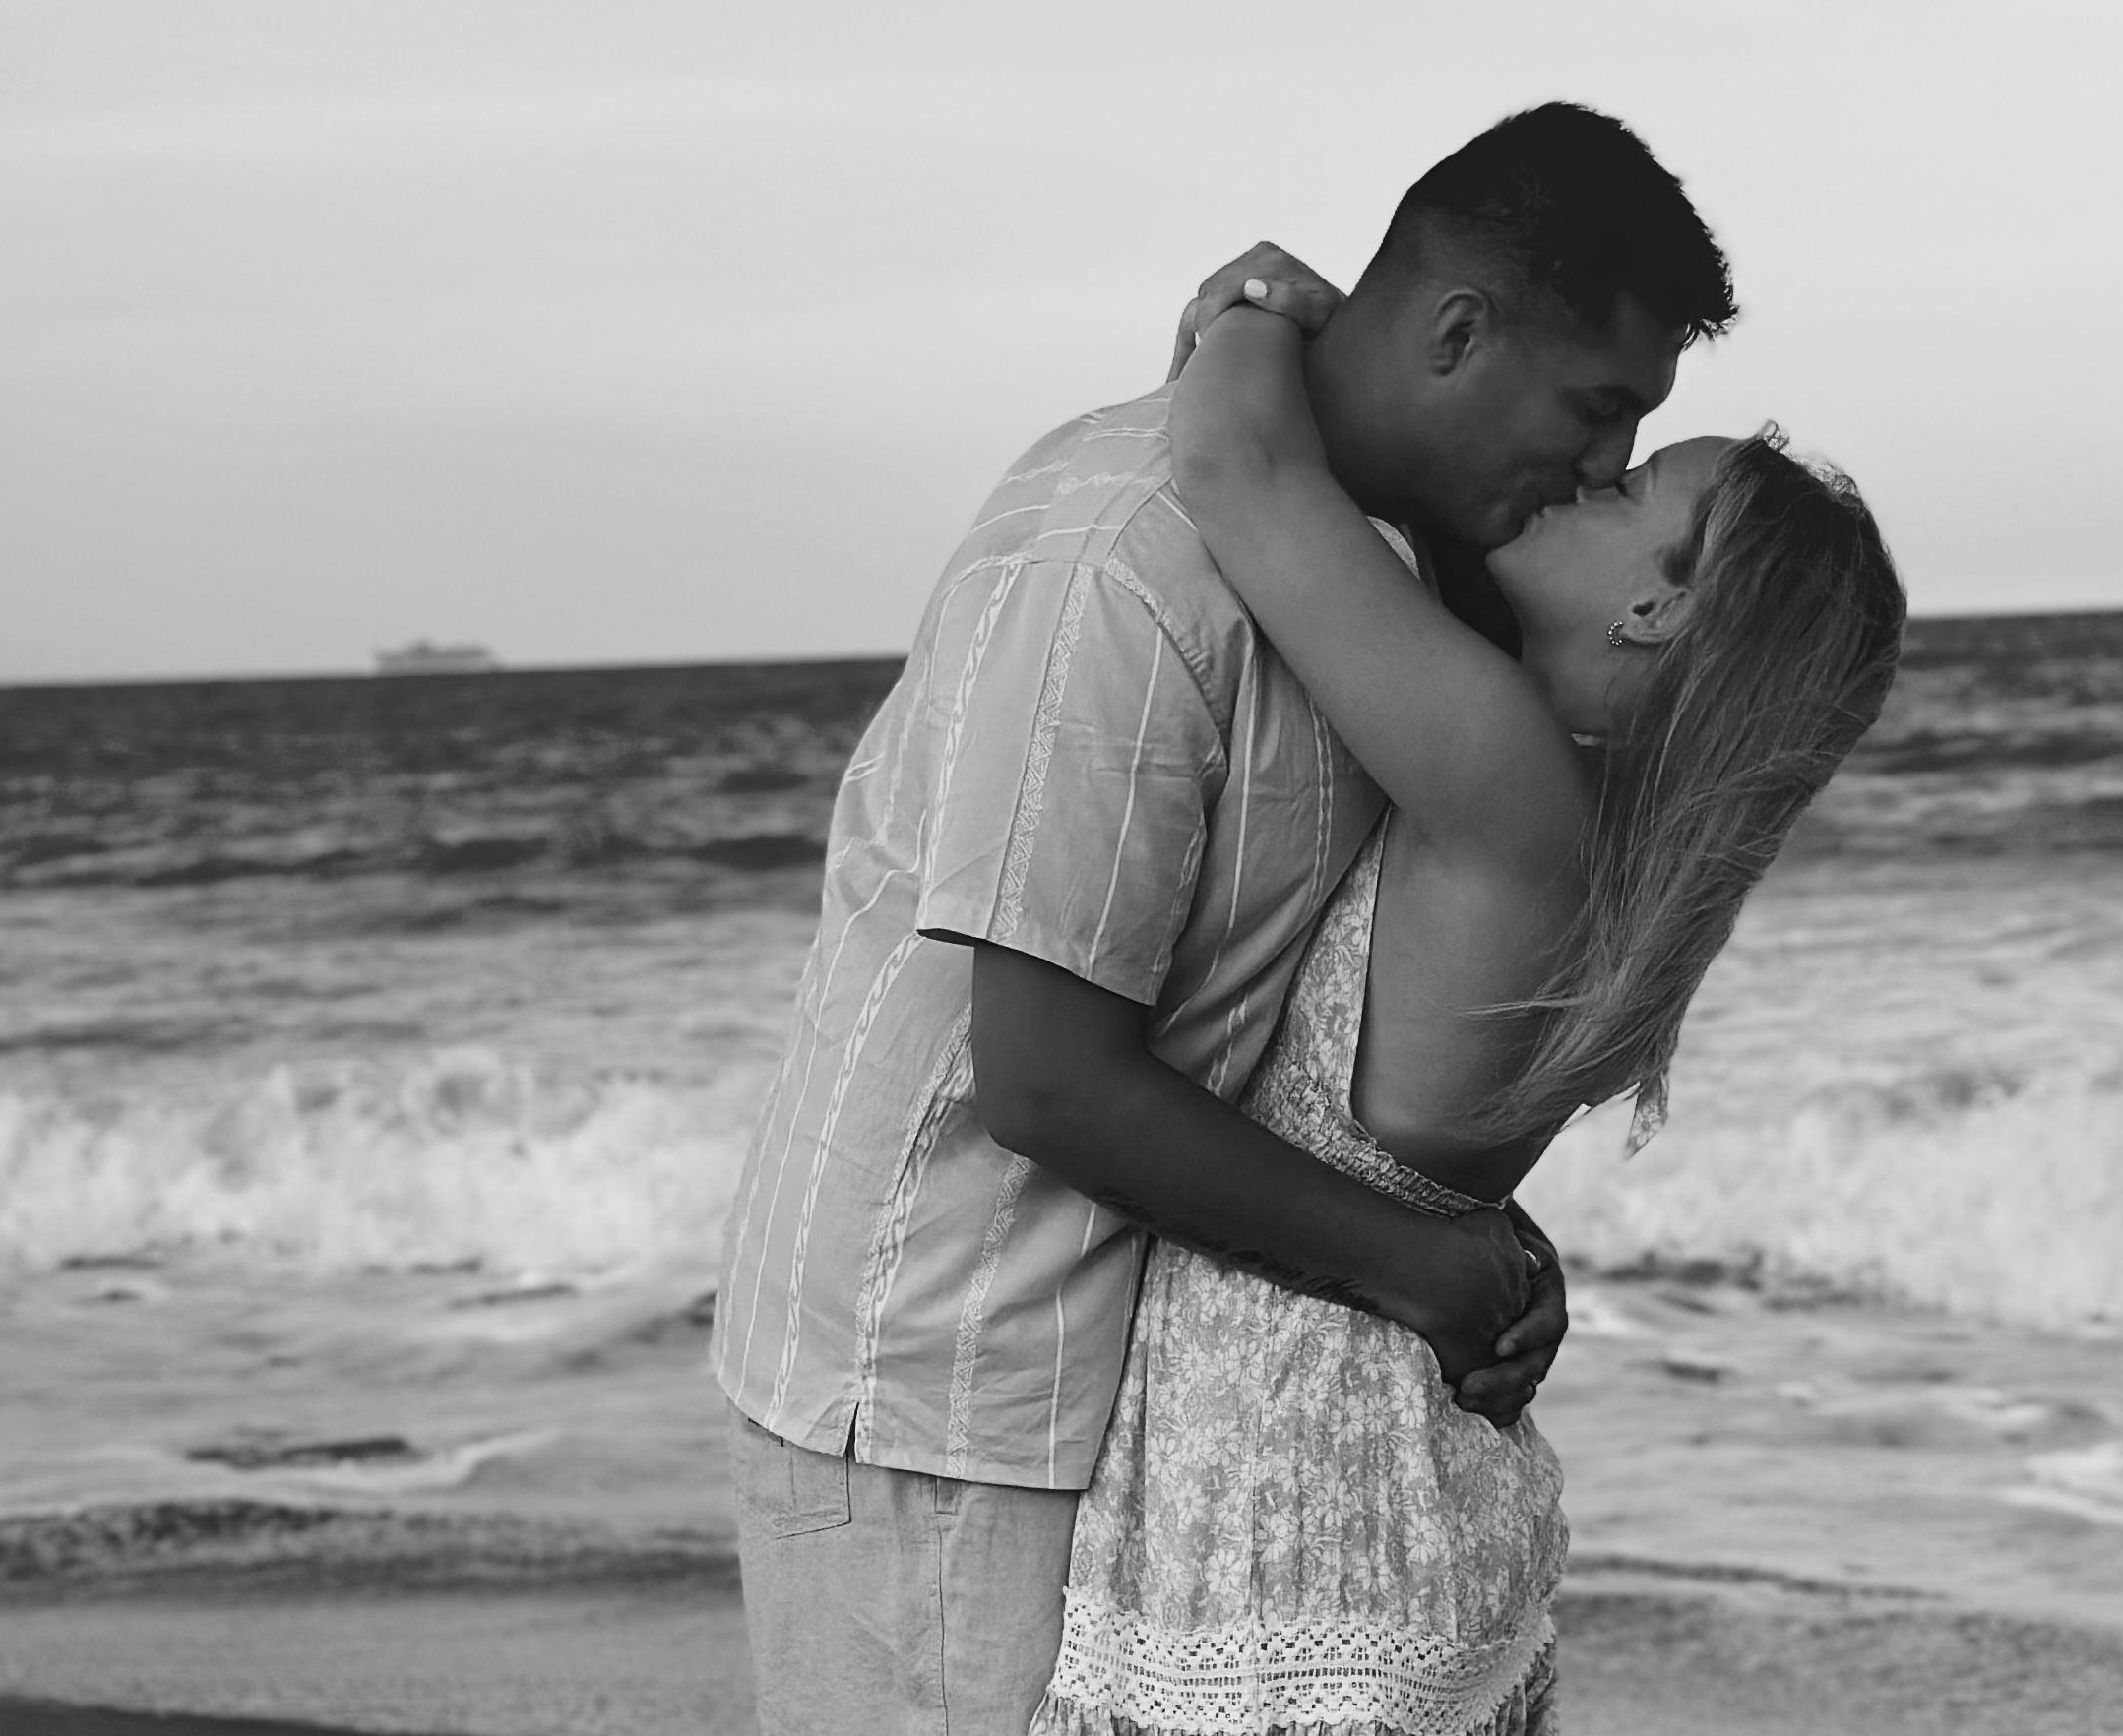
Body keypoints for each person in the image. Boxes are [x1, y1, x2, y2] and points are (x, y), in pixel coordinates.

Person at [711, 104, 1735, 1735]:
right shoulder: (1129, 565)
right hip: (947, 1386)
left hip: (1105, 1379)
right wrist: (1420, 1263)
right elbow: (1044, 1080)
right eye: (1598, 408)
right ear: (1460, 333)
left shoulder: (1380, 571)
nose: (1605, 468)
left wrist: (1463, 1237)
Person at [1030, 260, 1907, 1730]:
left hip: (1290, 1513)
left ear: (1656, 611)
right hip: (1393, 1500)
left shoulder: (1507, 781)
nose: (1594, 473)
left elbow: (1238, 469)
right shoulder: (1616, 847)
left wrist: (1263, 308)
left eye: (1635, 491)